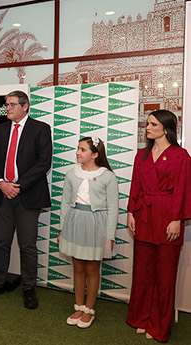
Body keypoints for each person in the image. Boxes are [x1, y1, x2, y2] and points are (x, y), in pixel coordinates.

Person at [0, 90, 52, 309]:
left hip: (28, 196)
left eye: (11, 104)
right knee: (1, 243)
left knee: (28, 245)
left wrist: (17, 186)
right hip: (2, 196)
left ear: (25, 106)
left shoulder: (40, 129)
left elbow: (43, 162)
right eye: (6, 104)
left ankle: (28, 288)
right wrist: (2, 183)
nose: (7, 108)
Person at [126, 110, 191, 342]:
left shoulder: (180, 155)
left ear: (166, 128)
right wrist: (131, 211)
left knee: (164, 276)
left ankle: (159, 325)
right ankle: (141, 318)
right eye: (147, 124)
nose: (148, 127)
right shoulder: (141, 155)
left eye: (153, 124)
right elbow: (135, 185)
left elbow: (183, 188)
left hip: (167, 218)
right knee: (143, 272)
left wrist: (177, 219)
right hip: (144, 216)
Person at [58, 136, 118, 328]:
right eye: (78, 148)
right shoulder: (71, 174)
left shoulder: (108, 176)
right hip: (75, 222)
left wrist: (110, 235)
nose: (78, 152)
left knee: (92, 268)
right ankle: (79, 306)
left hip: (96, 225)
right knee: (78, 266)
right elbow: (66, 203)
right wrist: (62, 229)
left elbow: (113, 208)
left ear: (95, 154)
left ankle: (89, 309)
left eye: (82, 149)